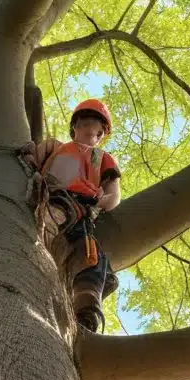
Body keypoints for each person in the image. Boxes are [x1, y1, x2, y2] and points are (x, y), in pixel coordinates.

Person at [30, 99, 121, 332]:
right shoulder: (55, 147)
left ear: (102, 134)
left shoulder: (102, 159)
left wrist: (107, 200)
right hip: (53, 197)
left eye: (97, 130)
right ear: (75, 127)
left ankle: (86, 307)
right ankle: (42, 235)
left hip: (84, 209)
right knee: (56, 216)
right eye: (86, 125)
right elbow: (33, 159)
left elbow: (113, 192)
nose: (92, 132)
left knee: (92, 257)